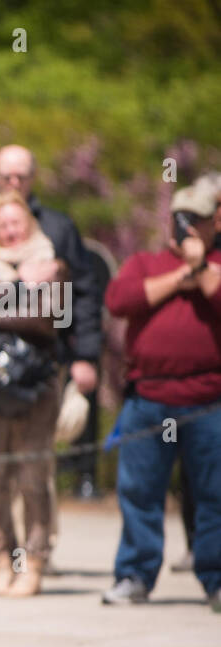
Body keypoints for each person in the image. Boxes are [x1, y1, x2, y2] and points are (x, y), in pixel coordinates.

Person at [101, 181, 220, 612]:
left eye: (197, 220)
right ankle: (134, 574)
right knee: (139, 492)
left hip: (208, 401)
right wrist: (180, 277)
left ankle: (216, 580)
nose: (186, 227)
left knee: (214, 494)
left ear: (214, 223)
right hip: (148, 398)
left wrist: (204, 271)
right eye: (180, 218)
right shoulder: (145, 262)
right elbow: (119, 299)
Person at [0, 191, 71, 596]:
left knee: (33, 478)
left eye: (16, 223)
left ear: (30, 225)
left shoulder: (53, 264)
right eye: (2, 224)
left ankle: (34, 562)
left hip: (35, 387)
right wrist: (23, 285)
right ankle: (3, 559)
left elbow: (49, 320)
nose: (9, 230)